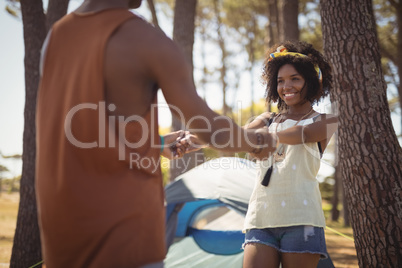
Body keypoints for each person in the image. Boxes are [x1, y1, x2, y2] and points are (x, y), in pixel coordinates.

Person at [35, 0, 277, 267]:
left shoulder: (55, 37)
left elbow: (87, 129)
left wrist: (157, 143)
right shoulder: (146, 40)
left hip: (61, 233)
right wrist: (255, 140)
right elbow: (211, 130)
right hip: (124, 234)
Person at [241, 41, 338, 268]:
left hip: (303, 219)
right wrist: (194, 139)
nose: (287, 86)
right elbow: (237, 136)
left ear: (311, 82)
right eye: (280, 81)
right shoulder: (267, 119)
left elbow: (302, 133)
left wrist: (266, 137)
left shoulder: (325, 121)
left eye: (295, 79)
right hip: (260, 218)